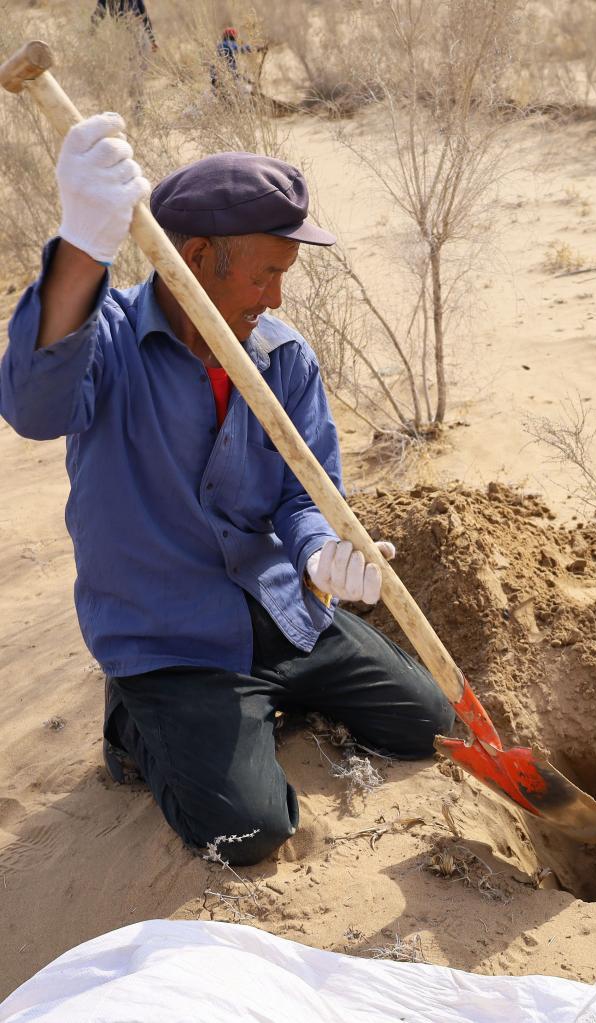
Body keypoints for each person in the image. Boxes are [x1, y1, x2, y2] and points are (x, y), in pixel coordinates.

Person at [0, 114, 454, 866]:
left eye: (285, 275)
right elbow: (33, 408)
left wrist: (318, 556)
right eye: (264, 273)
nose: (276, 297)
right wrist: (82, 246)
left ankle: (255, 704)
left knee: (427, 721)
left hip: (277, 606)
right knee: (251, 828)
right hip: (170, 638)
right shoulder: (107, 341)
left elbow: (307, 496)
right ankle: (136, 727)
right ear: (198, 257)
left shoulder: (283, 357)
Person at [210, 26, 265, 97]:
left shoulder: (219, 46)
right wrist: (255, 48)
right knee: (246, 91)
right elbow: (240, 49)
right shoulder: (228, 44)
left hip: (217, 79)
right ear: (233, 36)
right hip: (227, 78)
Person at [91, 0, 157, 51]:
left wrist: (152, 39)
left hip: (132, 32)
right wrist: (152, 39)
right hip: (128, 33)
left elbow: (144, 15)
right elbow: (144, 15)